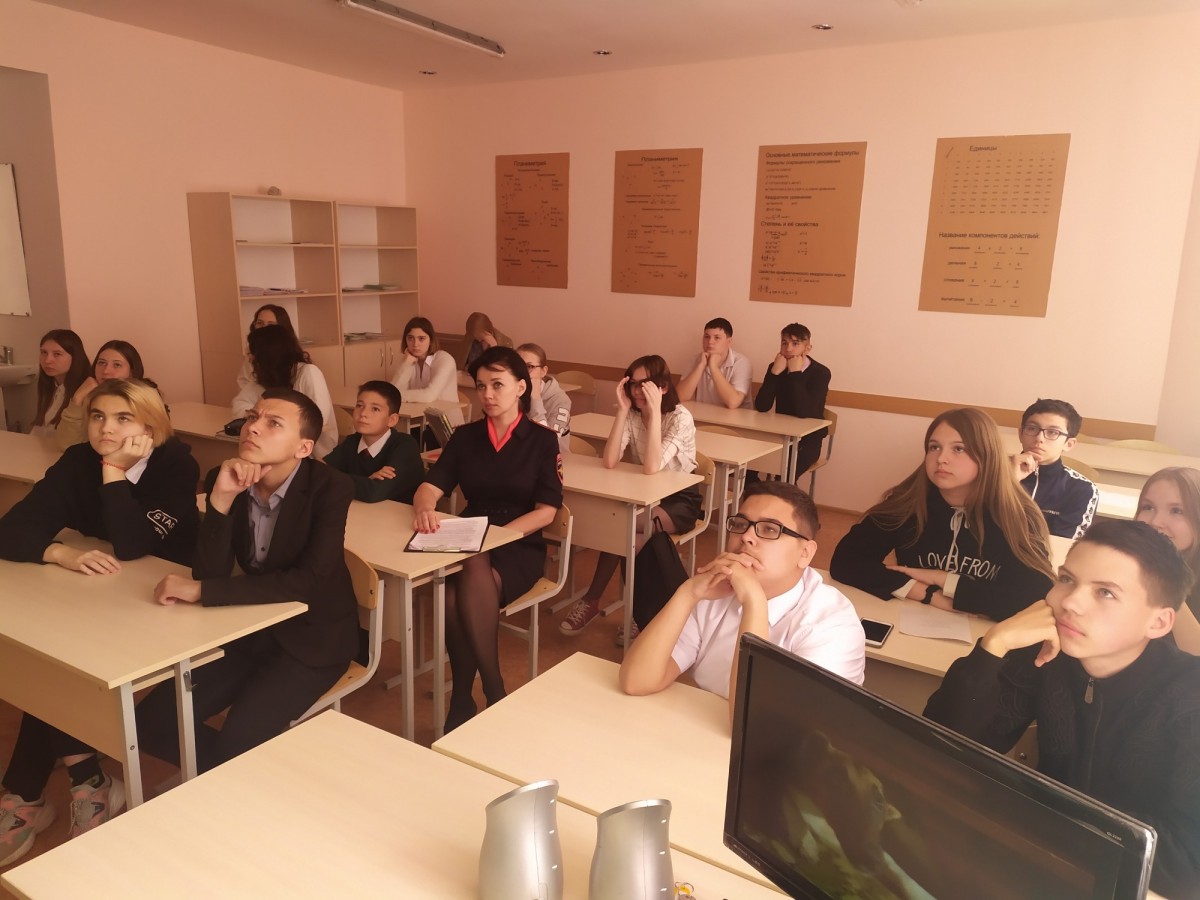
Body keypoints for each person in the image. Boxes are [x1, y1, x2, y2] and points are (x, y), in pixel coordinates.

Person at [924, 520, 1200, 899]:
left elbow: (1185, 864)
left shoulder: (1189, 696)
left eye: (1105, 592)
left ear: (1158, 622)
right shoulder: (1048, 654)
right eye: (1067, 579)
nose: (1070, 602)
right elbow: (943, 746)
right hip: (1032, 860)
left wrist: (1038, 815)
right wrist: (993, 647)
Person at [0, 378, 199, 866]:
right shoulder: (76, 461)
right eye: (97, 416)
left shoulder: (176, 465)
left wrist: (113, 473)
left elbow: (133, 545)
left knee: (60, 663)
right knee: (54, 657)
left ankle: (29, 793)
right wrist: (60, 553)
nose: (105, 428)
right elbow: (11, 529)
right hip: (106, 594)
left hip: (168, 605)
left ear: (150, 426)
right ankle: (82, 784)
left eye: (122, 418)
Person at [135, 389, 358, 774]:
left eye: (273, 423)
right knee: (150, 724)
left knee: (238, 740)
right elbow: (210, 572)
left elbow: (309, 581)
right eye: (253, 417)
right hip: (249, 630)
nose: (252, 427)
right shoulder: (226, 477)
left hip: (312, 639)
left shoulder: (330, 487)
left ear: (304, 447)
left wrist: (202, 592)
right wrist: (220, 501)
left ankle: (236, 777)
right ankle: (234, 778)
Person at [619, 481, 865, 722]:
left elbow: (756, 724)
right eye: (740, 524)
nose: (746, 536)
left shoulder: (833, 626)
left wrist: (754, 602)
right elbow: (636, 681)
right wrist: (688, 593)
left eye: (769, 529)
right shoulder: (715, 591)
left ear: (805, 553)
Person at [413, 347, 563, 732]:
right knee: (455, 589)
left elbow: (547, 511)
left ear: (521, 387)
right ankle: (481, 692)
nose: (487, 394)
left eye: (497, 385)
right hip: (471, 536)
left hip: (519, 542)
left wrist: (496, 537)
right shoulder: (465, 437)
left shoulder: (542, 441)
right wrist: (425, 507)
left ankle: (475, 694)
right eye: (481, 386)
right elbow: (430, 486)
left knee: (461, 580)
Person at [830, 407, 1054, 621]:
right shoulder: (907, 503)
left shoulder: (1016, 515)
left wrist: (943, 579)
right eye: (934, 447)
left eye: (958, 449)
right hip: (911, 618)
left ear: (987, 456)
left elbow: (1035, 597)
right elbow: (846, 561)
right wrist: (926, 593)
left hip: (984, 634)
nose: (941, 458)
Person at [560, 354, 700, 638]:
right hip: (645, 495)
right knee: (624, 531)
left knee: (621, 526)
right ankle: (635, 610)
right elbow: (610, 460)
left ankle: (603, 603)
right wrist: (623, 411)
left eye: (644, 384)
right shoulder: (633, 413)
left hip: (679, 499)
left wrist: (655, 413)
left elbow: (651, 467)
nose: (636, 391)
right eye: (632, 384)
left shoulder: (680, 418)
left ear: (662, 386)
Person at [231, 324, 338, 457]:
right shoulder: (267, 378)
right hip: (278, 447)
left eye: (253, 354)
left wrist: (269, 419)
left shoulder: (308, 373)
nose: (250, 359)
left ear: (267, 356)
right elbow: (239, 405)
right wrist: (262, 417)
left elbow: (318, 420)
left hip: (314, 452)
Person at [322, 380, 423, 503]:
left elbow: (373, 493)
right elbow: (318, 472)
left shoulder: (405, 446)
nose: (363, 413)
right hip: (363, 511)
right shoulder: (352, 441)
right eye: (359, 405)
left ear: (392, 420)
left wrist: (365, 483)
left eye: (375, 409)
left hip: (400, 513)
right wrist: (367, 481)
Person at [1010, 398, 1098, 539]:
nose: (1039, 438)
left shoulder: (1082, 489)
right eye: (1032, 428)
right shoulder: (992, 473)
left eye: (1052, 432)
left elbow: (1063, 544)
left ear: (1069, 444)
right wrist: (1009, 481)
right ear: (1021, 434)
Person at [1136, 467, 1200, 653]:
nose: (1156, 521)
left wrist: (1167, 581)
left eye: (1176, 511)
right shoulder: (1126, 559)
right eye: (1148, 507)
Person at [754, 323, 831, 477]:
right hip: (781, 435)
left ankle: (784, 491)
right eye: (784, 343)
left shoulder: (820, 372)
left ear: (807, 348)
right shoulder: (776, 366)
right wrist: (774, 373)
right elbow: (762, 406)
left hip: (808, 439)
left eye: (795, 344)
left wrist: (796, 373)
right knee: (749, 465)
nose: (788, 349)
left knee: (784, 475)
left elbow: (804, 412)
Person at [55, 339, 147, 450]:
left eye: (117, 365)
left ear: (131, 372)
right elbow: (66, 444)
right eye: (101, 363)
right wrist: (77, 399)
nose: (106, 371)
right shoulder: (92, 397)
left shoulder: (143, 400)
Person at [389, 315, 463, 425]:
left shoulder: (444, 359)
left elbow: (429, 395)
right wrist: (407, 364)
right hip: (418, 422)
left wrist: (397, 395)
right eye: (410, 338)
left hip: (447, 424)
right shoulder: (408, 359)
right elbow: (393, 392)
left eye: (421, 339)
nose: (415, 344)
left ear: (431, 340)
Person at [676, 317, 753, 409]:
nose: (710, 342)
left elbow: (733, 402)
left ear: (729, 342)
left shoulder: (742, 363)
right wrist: (701, 365)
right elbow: (679, 397)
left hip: (736, 417)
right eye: (706, 337)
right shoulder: (695, 360)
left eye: (717, 338)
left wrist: (713, 367)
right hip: (704, 414)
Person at [29, 329, 89, 438]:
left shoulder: (84, 391)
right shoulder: (51, 385)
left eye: (57, 354)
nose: (47, 360)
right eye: (44, 352)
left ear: (75, 357)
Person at [517, 342, 571, 453]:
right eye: (517, 366)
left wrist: (536, 399)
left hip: (553, 460)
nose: (522, 373)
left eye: (529, 367)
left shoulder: (561, 401)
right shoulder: (511, 394)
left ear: (543, 371)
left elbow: (547, 444)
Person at [234, 303, 295, 394]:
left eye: (271, 325)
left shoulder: (295, 359)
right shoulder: (252, 354)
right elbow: (243, 384)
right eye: (259, 323)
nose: (264, 328)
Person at [454, 312, 512, 385]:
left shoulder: (506, 343)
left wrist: (494, 348)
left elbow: (504, 371)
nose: (478, 340)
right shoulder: (469, 339)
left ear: (489, 332)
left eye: (481, 339)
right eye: (476, 338)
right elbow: (460, 363)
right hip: (470, 377)